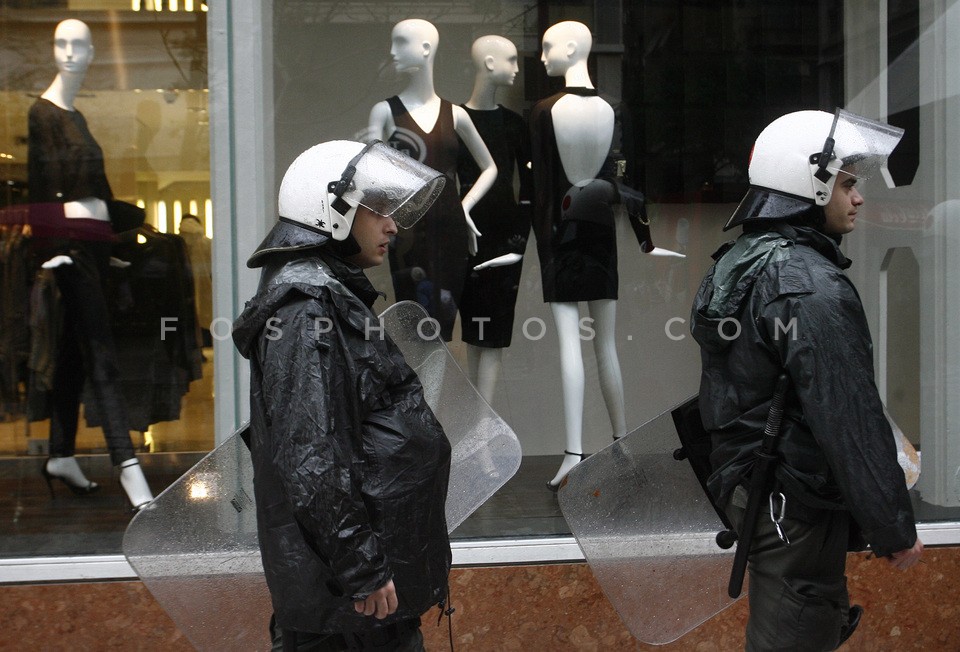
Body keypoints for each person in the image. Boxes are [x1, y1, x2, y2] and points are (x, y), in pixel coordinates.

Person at [690, 109, 924, 651]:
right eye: (846, 183)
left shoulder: (743, 259)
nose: (858, 198)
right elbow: (848, 414)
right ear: (809, 184)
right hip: (791, 502)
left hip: (758, 490)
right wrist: (893, 527)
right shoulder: (806, 285)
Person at [232, 140, 452, 650]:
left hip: (361, 603)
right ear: (329, 207)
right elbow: (312, 456)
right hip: (348, 609)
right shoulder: (306, 307)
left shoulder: (325, 294)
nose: (392, 225)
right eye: (376, 209)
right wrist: (363, 570)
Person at [28, 18, 152, 509]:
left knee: (73, 357)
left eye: (79, 44)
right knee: (100, 354)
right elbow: (43, 185)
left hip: (91, 249)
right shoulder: (44, 113)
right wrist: (48, 248)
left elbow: (95, 192)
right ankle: (127, 465)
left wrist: (117, 242)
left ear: (93, 52)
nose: (70, 53)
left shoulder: (76, 116)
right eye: (61, 43)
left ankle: (61, 454)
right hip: (68, 252)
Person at [529, 21, 627, 488]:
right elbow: (618, 179)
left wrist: (539, 247)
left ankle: (574, 451)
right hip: (601, 230)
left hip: (559, 233)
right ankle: (622, 442)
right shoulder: (613, 109)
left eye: (548, 47)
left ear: (571, 48)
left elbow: (541, 187)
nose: (543, 56)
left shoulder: (545, 110)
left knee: (572, 342)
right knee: (605, 344)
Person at [367, 18, 497, 342]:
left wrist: (464, 206)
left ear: (425, 49)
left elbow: (490, 167)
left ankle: (433, 394)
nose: (392, 52)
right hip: (406, 234)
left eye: (400, 43)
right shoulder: (384, 112)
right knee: (413, 327)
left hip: (450, 230)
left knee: (442, 327)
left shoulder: (456, 114)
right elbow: (368, 170)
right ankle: (416, 393)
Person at [456, 35, 532, 402]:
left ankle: (482, 424)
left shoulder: (515, 126)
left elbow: (529, 189)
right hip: (467, 234)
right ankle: (477, 422)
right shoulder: (455, 120)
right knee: (474, 329)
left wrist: (521, 238)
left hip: (505, 238)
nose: (517, 68)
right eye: (511, 60)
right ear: (489, 63)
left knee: (495, 330)